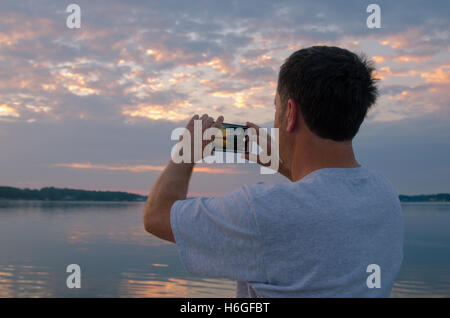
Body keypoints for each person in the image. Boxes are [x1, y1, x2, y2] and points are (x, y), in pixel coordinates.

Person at [143, 46, 404, 297]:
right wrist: (285, 166)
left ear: (290, 113)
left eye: (276, 106)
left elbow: (157, 217)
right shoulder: (384, 195)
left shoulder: (262, 210)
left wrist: (185, 153)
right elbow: (325, 202)